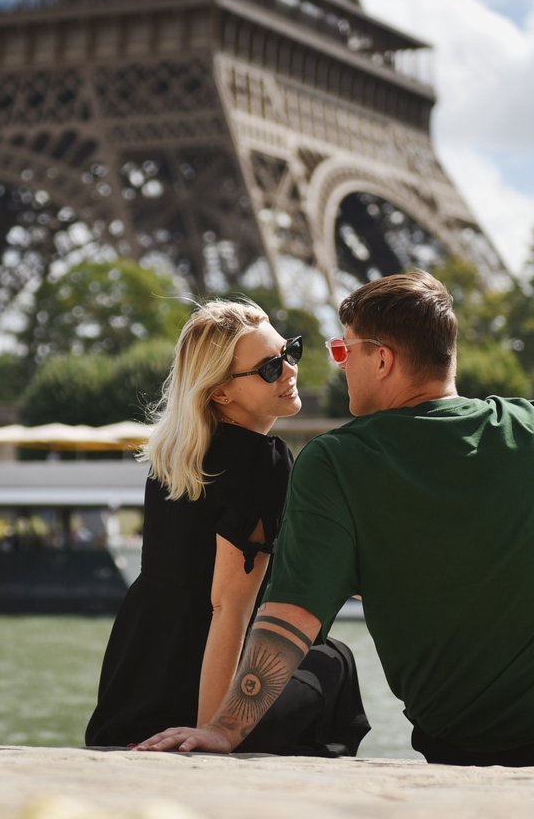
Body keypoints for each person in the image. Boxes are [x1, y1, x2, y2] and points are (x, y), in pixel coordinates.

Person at [138, 271, 534, 773]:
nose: (337, 367)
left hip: (456, 743)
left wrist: (225, 729)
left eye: (344, 351)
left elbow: (290, 620)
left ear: (384, 358)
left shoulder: (334, 462)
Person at [85, 299, 369, 756]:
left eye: (290, 352)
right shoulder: (261, 461)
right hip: (202, 688)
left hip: (139, 679)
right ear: (220, 392)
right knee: (333, 660)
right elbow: (227, 606)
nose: (290, 370)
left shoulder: (174, 458)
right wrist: (215, 731)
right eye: (270, 368)